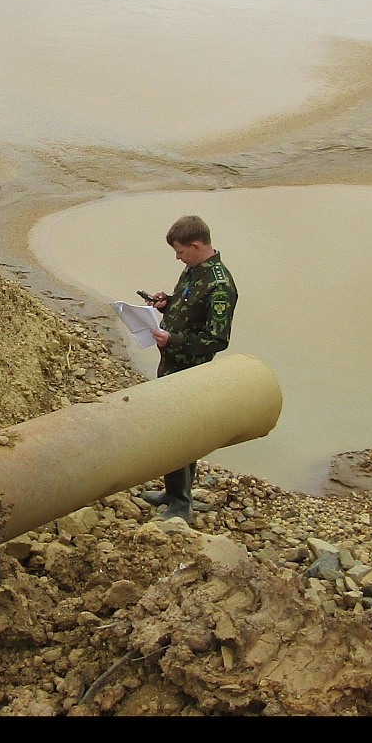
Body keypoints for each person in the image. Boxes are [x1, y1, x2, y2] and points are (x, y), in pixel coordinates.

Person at [139, 214, 237, 522]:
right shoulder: (192, 270)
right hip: (170, 365)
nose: (178, 258)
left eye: (181, 251)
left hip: (190, 371)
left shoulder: (220, 286)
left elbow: (216, 339)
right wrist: (166, 304)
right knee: (172, 430)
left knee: (180, 433)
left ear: (196, 245)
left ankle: (181, 504)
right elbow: (187, 305)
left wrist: (174, 340)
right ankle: (172, 492)